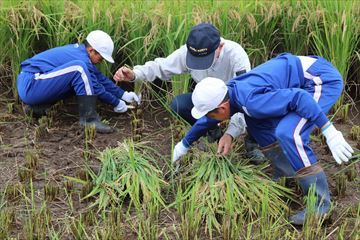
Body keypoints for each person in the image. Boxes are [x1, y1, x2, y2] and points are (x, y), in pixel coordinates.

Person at [172, 53, 354, 225]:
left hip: (319, 80)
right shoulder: (230, 93)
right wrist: (183, 145)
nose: (210, 119)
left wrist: (329, 130)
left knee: (289, 133)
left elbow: (300, 98)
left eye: (211, 114)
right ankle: (286, 174)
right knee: (256, 124)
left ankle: (320, 206)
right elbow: (207, 120)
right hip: (300, 82)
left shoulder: (250, 101)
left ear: (222, 108)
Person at [114, 22, 265, 161]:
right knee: (178, 104)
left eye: (206, 58)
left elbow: (245, 97)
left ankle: (252, 144)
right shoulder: (189, 52)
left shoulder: (236, 56)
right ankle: (212, 133)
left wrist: (231, 134)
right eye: (197, 59)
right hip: (209, 103)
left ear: (220, 46)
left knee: (256, 105)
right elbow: (162, 66)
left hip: (234, 101)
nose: (200, 63)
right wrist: (135, 74)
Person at [17, 30, 140, 133]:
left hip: (36, 84)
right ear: (91, 50)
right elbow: (95, 87)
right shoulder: (81, 60)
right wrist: (116, 103)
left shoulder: (81, 54)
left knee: (80, 76)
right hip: (32, 83)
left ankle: (36, 108)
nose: (101, 61)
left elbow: (99, 78)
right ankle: (89, 119)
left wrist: (124, 95)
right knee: (79, 69)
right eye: (101, 57)